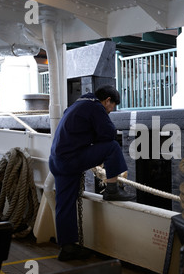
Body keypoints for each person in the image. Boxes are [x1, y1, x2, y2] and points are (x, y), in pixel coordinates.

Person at [49, 84, 134, 261]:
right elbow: (108, 134)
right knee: (112, 147)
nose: (111, 111)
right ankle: (112, 190)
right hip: (71, 160)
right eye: (112, 107)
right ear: (107, 100)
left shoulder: (76, 105)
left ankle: (67, 247)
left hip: (57, 161)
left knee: (64, 204)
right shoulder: (95, 106)